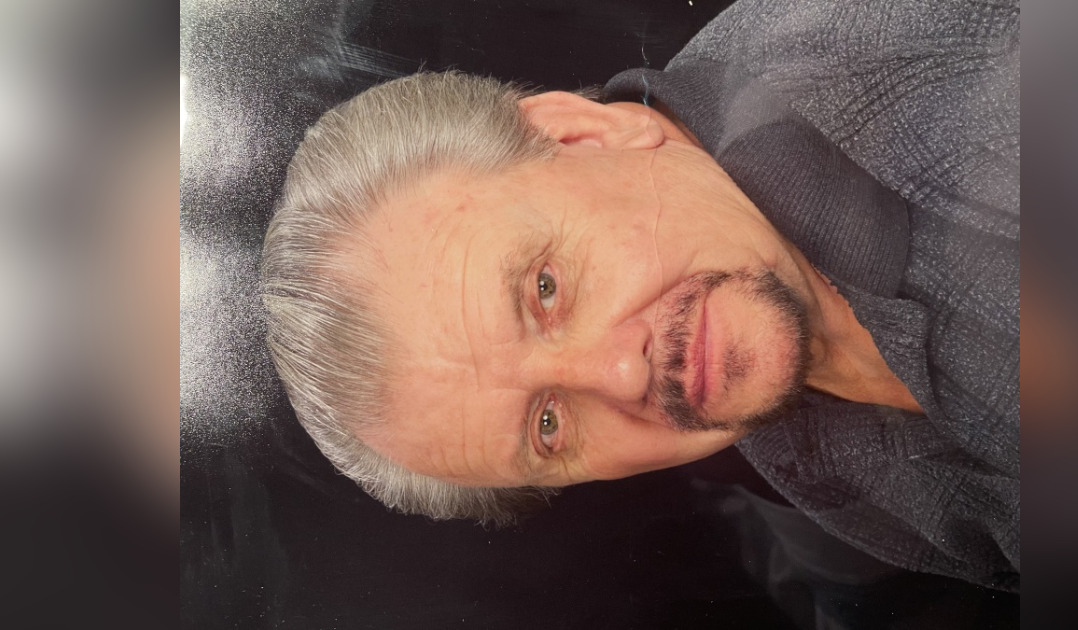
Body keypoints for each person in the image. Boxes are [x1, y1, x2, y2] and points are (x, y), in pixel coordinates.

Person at [261, 0, 1019, 590]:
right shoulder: (803, 460)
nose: (620, 377)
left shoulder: (971, 88)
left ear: (584, 135)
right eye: (549, 424)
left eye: (546, 291)